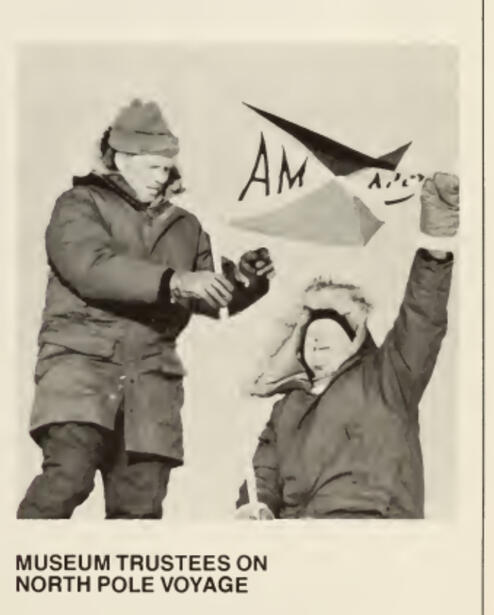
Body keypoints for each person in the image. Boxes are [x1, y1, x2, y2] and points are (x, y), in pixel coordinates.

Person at [18, 99, 274, 519]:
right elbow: (89, 267)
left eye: (168, 167)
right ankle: (13, 568)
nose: (166, 176)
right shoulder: (79, 204)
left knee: (140, 514)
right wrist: (173, 280)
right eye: (155, 166)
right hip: (81, 372)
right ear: (121, 158)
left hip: (153, 391)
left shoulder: (187, 227)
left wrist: (247, 279)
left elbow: (212, 297)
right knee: (67, 480)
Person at [236, 172, 459, 520]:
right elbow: (262, 474)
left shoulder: (387, 380)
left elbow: (421, 320)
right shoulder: (286, 409)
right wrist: (257, 506)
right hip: (302, 542)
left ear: (354, 341)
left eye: (328, 332)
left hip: (371, 530)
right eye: (310, 336)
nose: (317, 339)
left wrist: (435, 243)